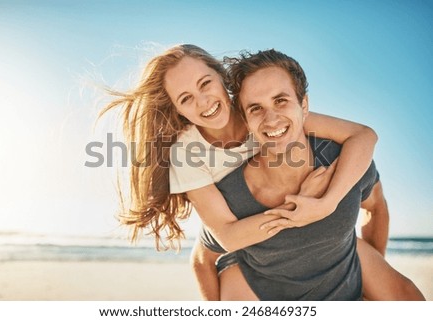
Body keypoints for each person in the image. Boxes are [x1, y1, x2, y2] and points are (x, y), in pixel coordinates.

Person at [99, 44, 423, 300]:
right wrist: (301, 206)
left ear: (221, 78)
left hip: (295, 222)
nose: (203, 102)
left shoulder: (262, 109)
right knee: (208, 253)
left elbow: (363, 136)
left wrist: (328, 203)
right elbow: (226, 236)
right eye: (186, 98)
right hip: (241, 233)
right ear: (178, 109)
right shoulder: (187, 153)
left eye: (205, 84)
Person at [191, 49, 425, 300]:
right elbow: (202, 260)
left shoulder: (344, 161)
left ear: (304, 106)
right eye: (256, 108)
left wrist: (367, 273)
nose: (271, 119)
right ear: (246, 121)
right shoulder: (233, 194)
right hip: (262, 286)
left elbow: (376, 207)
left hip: (342, 274)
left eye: (281, 101)